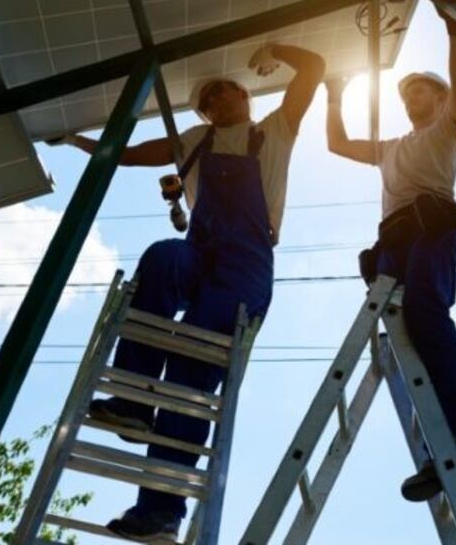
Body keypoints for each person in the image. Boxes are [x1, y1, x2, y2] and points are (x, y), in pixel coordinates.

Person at [52, 43, 324, 540]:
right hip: (199, 252)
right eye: (207, 100)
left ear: (245, 95)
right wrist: (76, 141)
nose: (217, 100)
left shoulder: (275, 129)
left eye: (225, 91)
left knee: (187, 379)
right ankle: (133, 401)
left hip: (245, 264)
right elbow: (127, 155)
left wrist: (272, 49)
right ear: (202, 114)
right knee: (161, 257)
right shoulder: (195, 141)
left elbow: (315, 68)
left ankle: (159, 513)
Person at [325, 0, 456, 502]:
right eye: (406, 93)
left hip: (433, 227)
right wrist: (334, 93)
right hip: (393, 237)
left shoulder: (449, 127)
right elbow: (335, 144)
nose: (410, 96)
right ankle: (437, 454)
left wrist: (453, 27)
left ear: (439, 100)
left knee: (424, 309)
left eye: (420, 90)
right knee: (400, 340)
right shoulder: (390, 148)